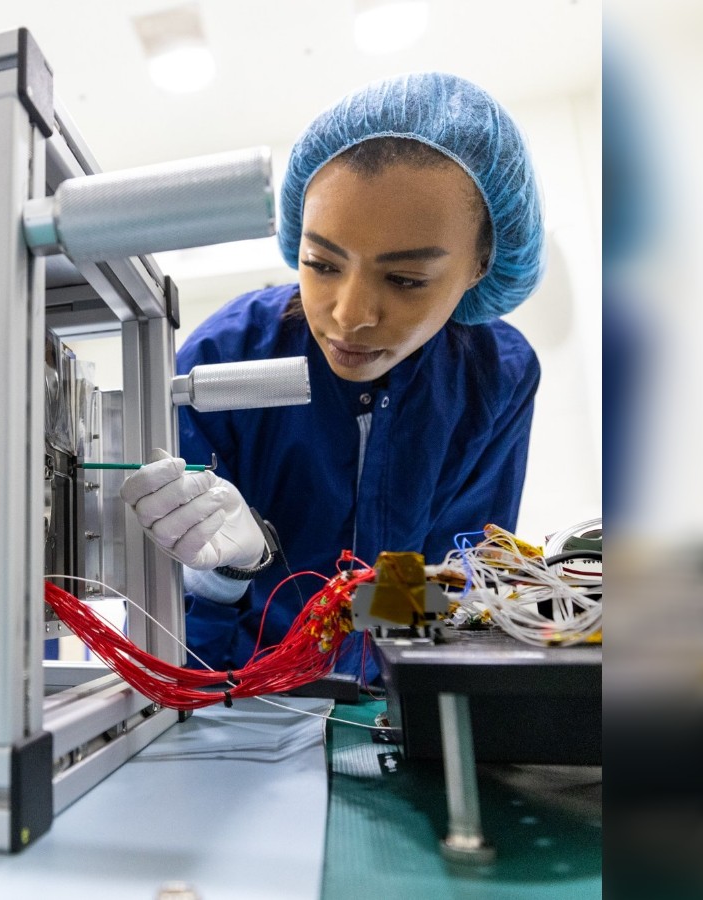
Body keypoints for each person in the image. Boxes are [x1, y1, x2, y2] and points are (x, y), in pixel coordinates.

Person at [120, 73, 544, 683]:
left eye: (404, 280)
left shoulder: (494, 377)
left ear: (482, 266)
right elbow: (162, 612)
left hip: (381, 701)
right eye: (320, 264)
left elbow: (452, 580)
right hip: (223, 700)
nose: (349, 315)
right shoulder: (225, 353)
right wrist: (227, 575)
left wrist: (358, 656)